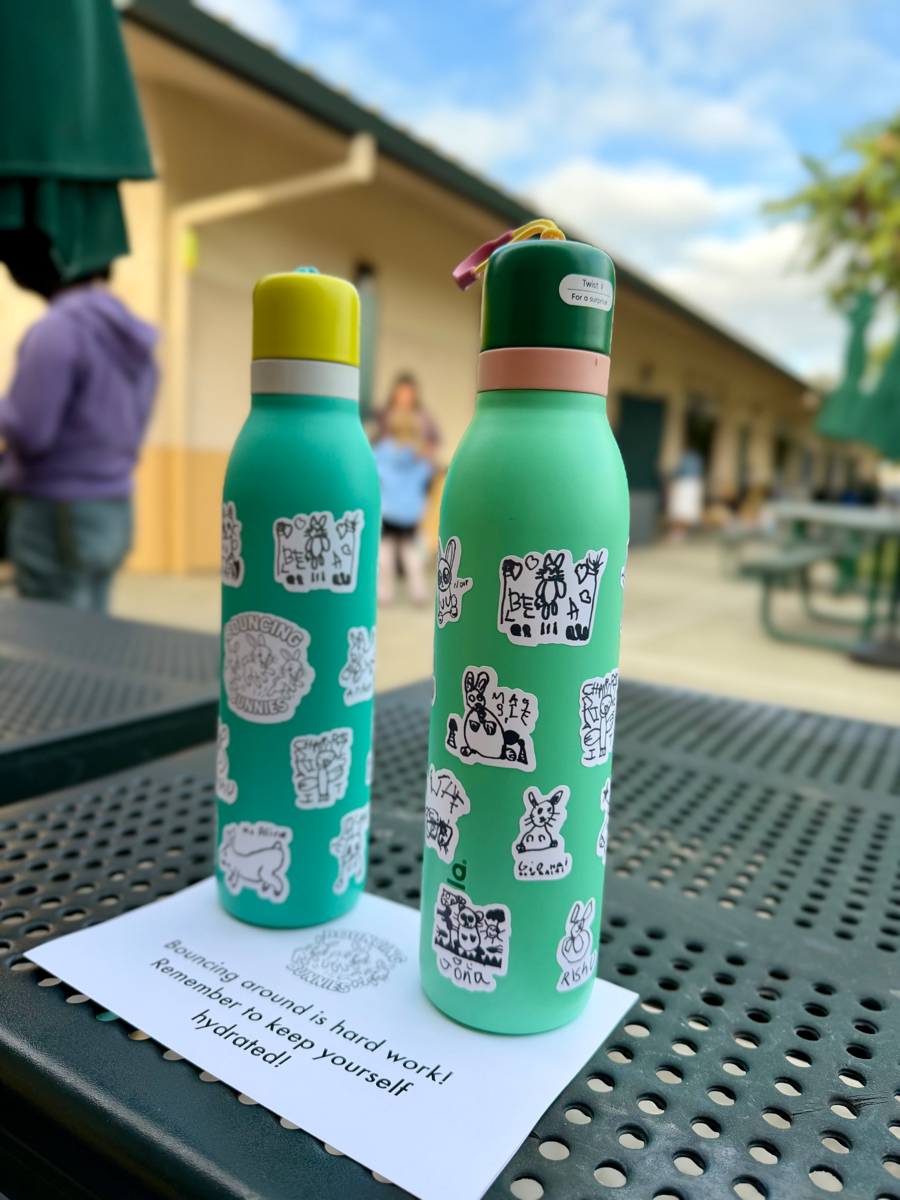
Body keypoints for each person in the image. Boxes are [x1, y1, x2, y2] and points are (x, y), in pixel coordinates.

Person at [0, 270, 158, 610]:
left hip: (59, 512)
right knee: (92, 628)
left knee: (51, 633)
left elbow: (31, 432)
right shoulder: (132, 338)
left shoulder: (58, 329)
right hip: (114, 505)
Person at [370, 374, 437, 605]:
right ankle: (419, 591)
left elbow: (373, 469)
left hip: (388, 510)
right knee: (410, 549)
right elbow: (427, 475)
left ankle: (385, 592)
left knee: (386, 549)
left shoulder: (382, 450)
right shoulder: (420, 454)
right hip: (410, 511)